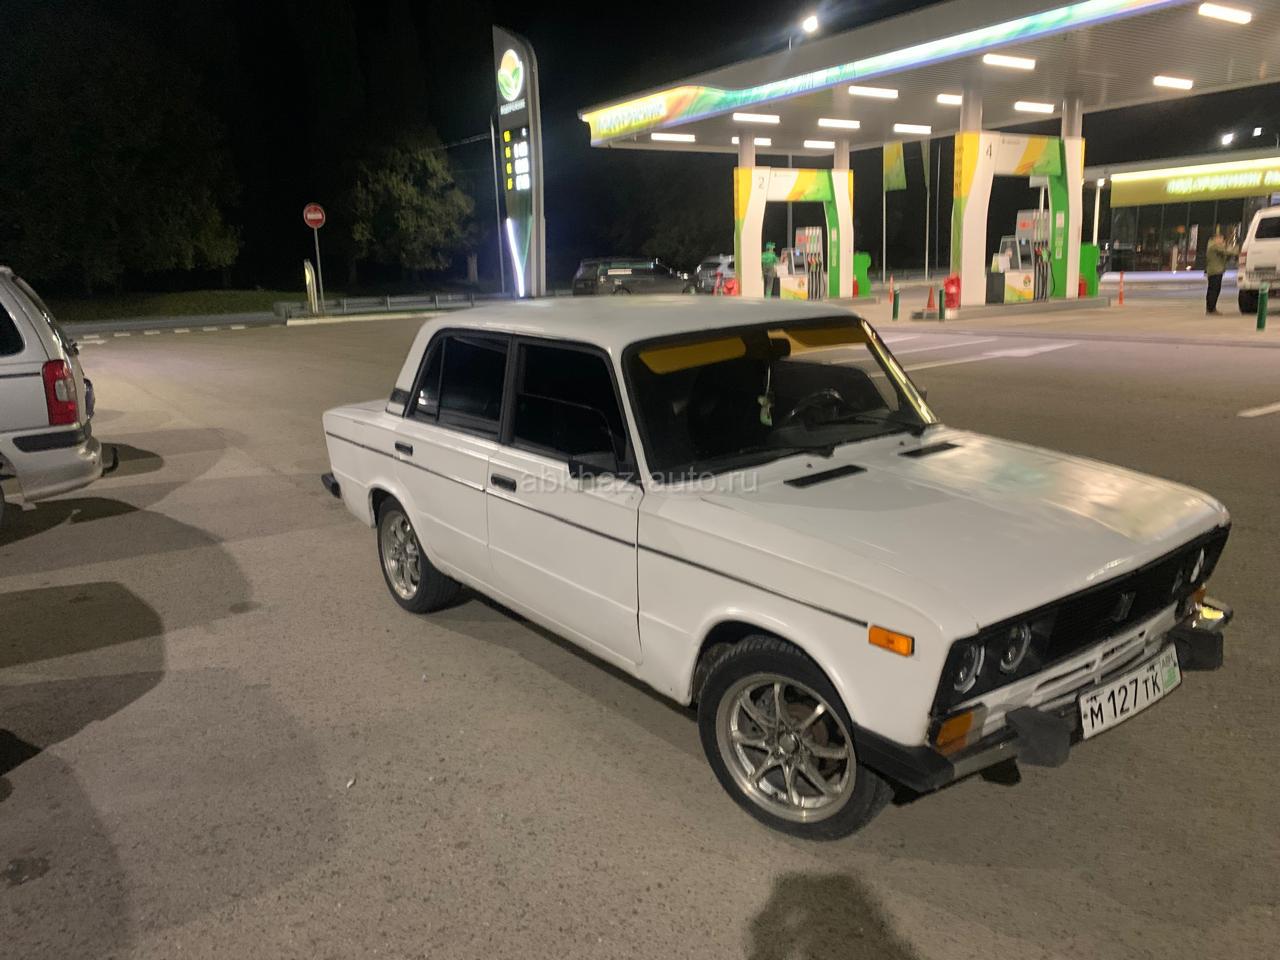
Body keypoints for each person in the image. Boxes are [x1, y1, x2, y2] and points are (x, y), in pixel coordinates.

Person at [1205, 227, 1238, 315]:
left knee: (1214, 290)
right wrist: (1236, 251)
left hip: (1217, 271)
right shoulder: (1214, 246)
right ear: (1216, 238)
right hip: (1215, 271)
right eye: (1221, 238)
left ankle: (1211, 308)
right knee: (1213, 290)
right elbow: (1226, 252)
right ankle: (1211, 309)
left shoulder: (1214, 246)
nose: (1222, 240)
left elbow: (1225, 257)